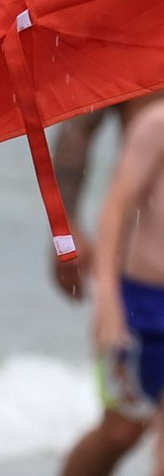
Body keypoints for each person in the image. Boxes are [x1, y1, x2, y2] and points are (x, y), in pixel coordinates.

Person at [54, 102, 159, 476]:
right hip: (140, 281)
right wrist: (65, 233)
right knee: (121, 430)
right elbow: (78, 131)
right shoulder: (141, 54)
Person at [88, 98, 164, 476]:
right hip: (146, 301)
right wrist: (107, 299)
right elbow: (116, 208)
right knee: (120, 431)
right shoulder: (156, 123)